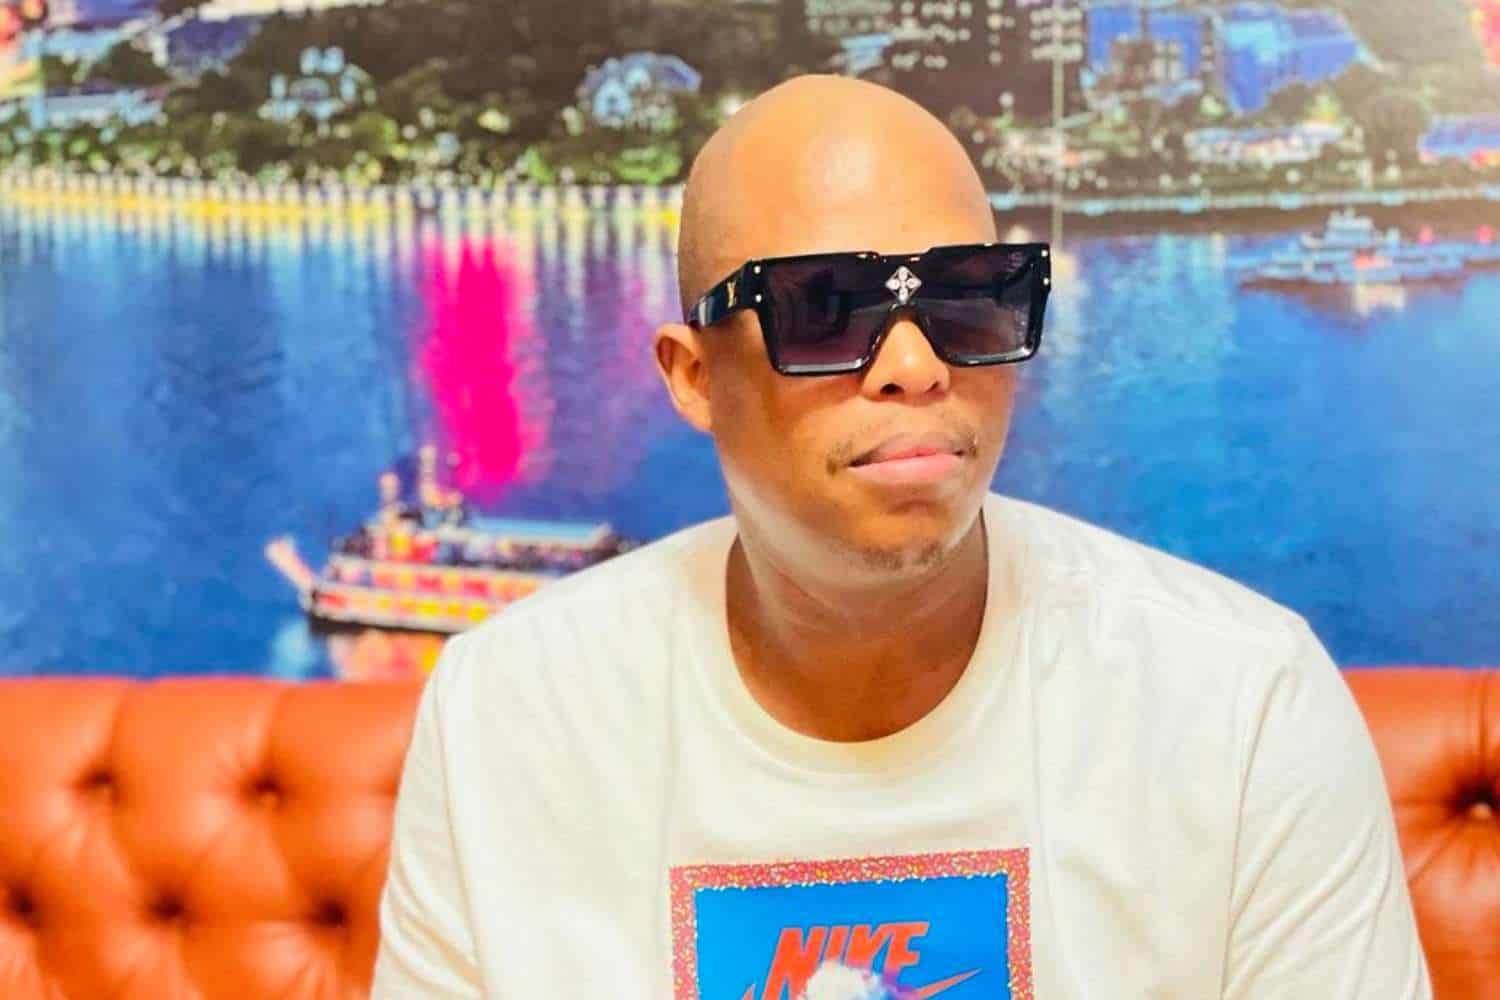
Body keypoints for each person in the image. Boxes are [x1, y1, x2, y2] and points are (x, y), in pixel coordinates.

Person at [373, 75, 1430, 999]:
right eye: (828, 308)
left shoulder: (1238, 702)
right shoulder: (507, 717)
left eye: (971, 301)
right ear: (695, 376)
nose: (916, 367)